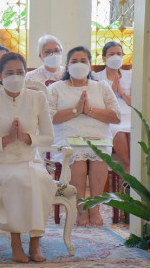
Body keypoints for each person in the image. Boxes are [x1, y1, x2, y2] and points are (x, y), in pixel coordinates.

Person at [0, 52, 56, 263]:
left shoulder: (38, 98)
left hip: (31, 161)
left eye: (20, 72)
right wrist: (6, 140)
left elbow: (48, 138)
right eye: (10, 73)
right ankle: (16, 241)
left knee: (43, 180)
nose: (15, 77)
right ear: (0, 76)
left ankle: (35, 241)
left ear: (26, 74)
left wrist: (28, 138)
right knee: (17, 179)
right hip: (1, 163)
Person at [48, 46, 120, 227]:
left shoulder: (102, 86)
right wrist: (75, 110)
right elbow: (50, 117)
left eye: (83, 61)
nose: (79, 65)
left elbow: (115, 115)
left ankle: (94, 208)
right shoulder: (56, 88)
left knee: (99, 156)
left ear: (90, 65)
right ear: (67, 65)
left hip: (98, 136)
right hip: (68, 136)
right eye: (74, 61)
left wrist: (89, 110)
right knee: (77, 158)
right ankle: (81, 208)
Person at [91, 41, 131, 173]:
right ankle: (128, 166)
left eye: (119, 54)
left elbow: (135, 102)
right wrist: (112, 91)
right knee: (118, 133)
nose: (116, 56)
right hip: (111, 114)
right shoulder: (97, 76)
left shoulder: (130, 75)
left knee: (133, 133)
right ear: (104, 58)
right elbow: (98, 101)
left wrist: (121, 91)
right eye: (112, 54)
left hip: (129, 114)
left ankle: (134, 168)